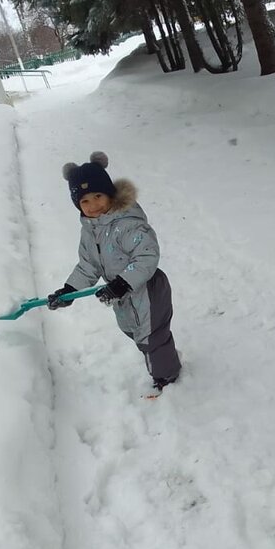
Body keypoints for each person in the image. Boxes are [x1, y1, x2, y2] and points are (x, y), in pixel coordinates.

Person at [47, 155, 181, 392]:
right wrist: (68, 291)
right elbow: (88, 265)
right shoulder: (91, 229)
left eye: (98, 196)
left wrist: (123, 283)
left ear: (110, 194)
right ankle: (160, 360)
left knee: (152, 338)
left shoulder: (127, 223)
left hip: (147, 289)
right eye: (85, 200)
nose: (93, 205)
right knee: (135, 332)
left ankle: (168, 378)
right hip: (121, 292)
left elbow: (147, 256)